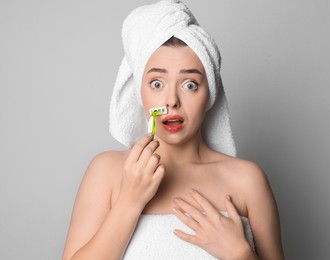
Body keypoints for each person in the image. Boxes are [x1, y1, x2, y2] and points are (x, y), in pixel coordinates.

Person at [63, 1, 284, 259]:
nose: (171, 101)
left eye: (190, 85)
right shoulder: (108, 172)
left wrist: (241, 254)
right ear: (139, 92)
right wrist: (129, 201)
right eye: (157, 83)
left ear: (210, 94)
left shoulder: (248, 180)